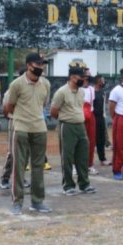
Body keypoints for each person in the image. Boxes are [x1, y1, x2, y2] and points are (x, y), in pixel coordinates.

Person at [5, 53, 51, 215]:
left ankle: (37, 201)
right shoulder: (17, 84)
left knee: (38, 166)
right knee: (19, 166)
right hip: (21, 128)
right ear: (29, 65)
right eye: (38, 64)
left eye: (43, 65)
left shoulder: (45, 84)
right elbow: (9, 106)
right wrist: (20, 118)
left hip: (40, 128)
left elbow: (44, 103)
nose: (41, 67)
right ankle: (17, 202)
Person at [50, 66, 95, 196]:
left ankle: (84, 184)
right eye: (81, 77)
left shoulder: (81, 92)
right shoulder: (61, 92)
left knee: (83, 156)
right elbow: (53, 111)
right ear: (72, 77)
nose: (83, 80)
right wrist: (65, 119)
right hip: (67, 126)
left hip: (80, 126)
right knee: (67, 156)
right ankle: (68, 185)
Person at [80, 67, 98, 175]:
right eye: (87, 74)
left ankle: (89, 165)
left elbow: (92, 104)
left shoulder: (92, 89)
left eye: (89, 74)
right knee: (78, 142)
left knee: (91, 142)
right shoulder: (77, 89)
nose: (89, 76)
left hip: (90, 116)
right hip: (79, 117)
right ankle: (75, 165)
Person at [92, 75, 109, 166]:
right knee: (90, 140)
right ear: (98, 81)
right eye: (102, 80)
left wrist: (104, 117)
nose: (103, 82)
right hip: (92, 118)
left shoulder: (103, 92)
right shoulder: (91, 91)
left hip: (101, 118)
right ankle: (88, 161)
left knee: (101, 139)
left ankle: (102, 159)